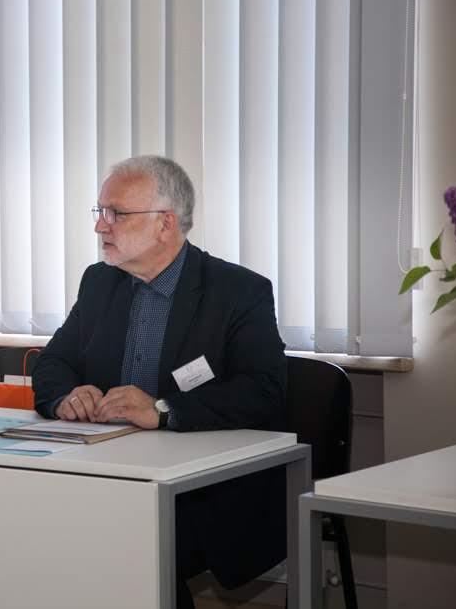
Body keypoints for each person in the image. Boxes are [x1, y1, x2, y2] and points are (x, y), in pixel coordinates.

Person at [32, 156, 287, 609]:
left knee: (121, 547)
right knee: (32, 527)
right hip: (106, 475)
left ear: (165, 223)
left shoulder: (237, 291)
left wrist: (163, 411)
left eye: (116, 213)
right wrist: (66, 396)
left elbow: (264, 390)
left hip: (201, 490)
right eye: (100, 212)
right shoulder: (100, 282)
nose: (100, 226)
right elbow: (54, 362)